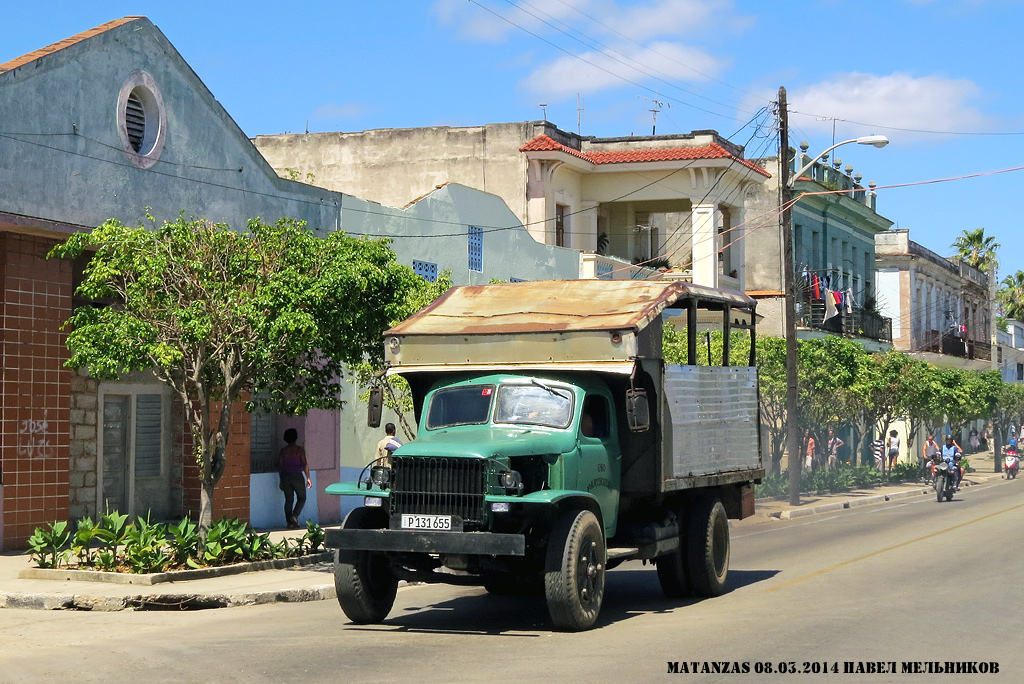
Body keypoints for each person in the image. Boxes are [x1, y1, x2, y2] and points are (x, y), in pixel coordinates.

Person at [279, 428, 311, 529]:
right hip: (297, 476)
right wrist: (308, 477)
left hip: (285, 477)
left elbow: (280, 466)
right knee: (302, 497)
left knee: (289, 500)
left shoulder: (283, 451)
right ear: (296, 437)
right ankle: (295, 516)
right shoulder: (299, 450)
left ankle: (289, 523)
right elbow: (305, 464)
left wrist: (281, 480)